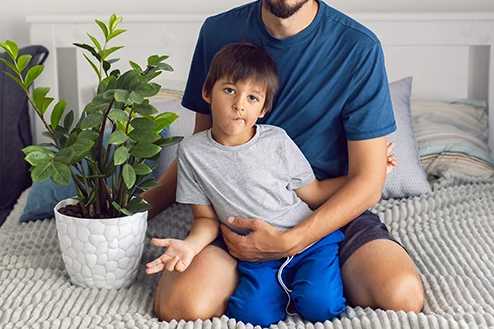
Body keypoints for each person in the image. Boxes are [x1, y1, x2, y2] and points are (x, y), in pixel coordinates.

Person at [144, 0, 425, 321]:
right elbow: (201, 150)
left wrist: (290, 240)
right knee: (179, 305)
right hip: (237, 212)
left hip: (330, 217)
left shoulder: (358, 48)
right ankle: (261, 280)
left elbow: (368, 183)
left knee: (401, 296)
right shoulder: (219, 32)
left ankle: (302, 271)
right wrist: (121, 214)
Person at [146, 43, 354, 326]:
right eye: (230, 90)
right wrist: (190, 247)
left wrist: (366, 175)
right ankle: (285, 289)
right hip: (255, 255)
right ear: (207, 92)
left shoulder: (277, 141)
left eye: (253, 97)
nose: (239, 104)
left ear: (264, 109)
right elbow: (206, 218)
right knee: (252, 316)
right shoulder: (192, 152)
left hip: (309, 243)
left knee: (321, 306)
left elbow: (314, 193)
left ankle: (310, 282)